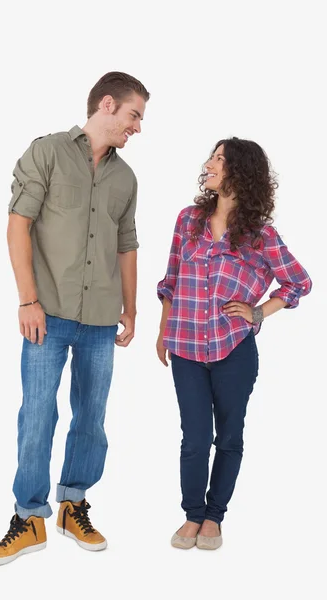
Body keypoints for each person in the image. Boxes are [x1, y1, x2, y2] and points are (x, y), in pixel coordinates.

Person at [0, 72, 150, 566]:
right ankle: (29, 517)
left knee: (92, 418)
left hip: (100, 318)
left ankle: (72, 503)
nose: (138, 127)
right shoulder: (48, 152)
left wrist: (132, 309)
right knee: (38, 415)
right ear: (107, 104)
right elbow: (18, 225)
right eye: (135, 115)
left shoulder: (126, 178)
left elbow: (127, 244)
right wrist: (26, 300)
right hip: (47, 313)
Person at [156, 137, 311, 551]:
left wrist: (259, 312)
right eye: (211, 156)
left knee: (228, 437)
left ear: (238, 171)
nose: (208, 163)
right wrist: (162, 330)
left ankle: (214, 517)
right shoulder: (188, 220)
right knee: (194, 436)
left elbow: (299, 282)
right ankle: (191, 514)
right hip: (186, 347)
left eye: (218, 158)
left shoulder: (261, 236)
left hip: (234, 352)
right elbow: (171, 280)